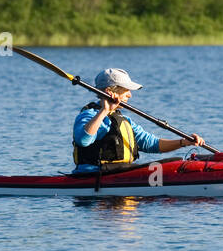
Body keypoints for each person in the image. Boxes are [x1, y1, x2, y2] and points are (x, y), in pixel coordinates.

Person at [72, 68, 203, 173]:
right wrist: (104, 110)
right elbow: (83, 140)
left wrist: (183, 142)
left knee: (175, 160)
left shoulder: (124, 120)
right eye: (126, 90)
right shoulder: (89, 115)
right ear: (109, 91)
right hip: (94, 178)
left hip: (119, 173)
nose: (130, 94)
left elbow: (151, 144)